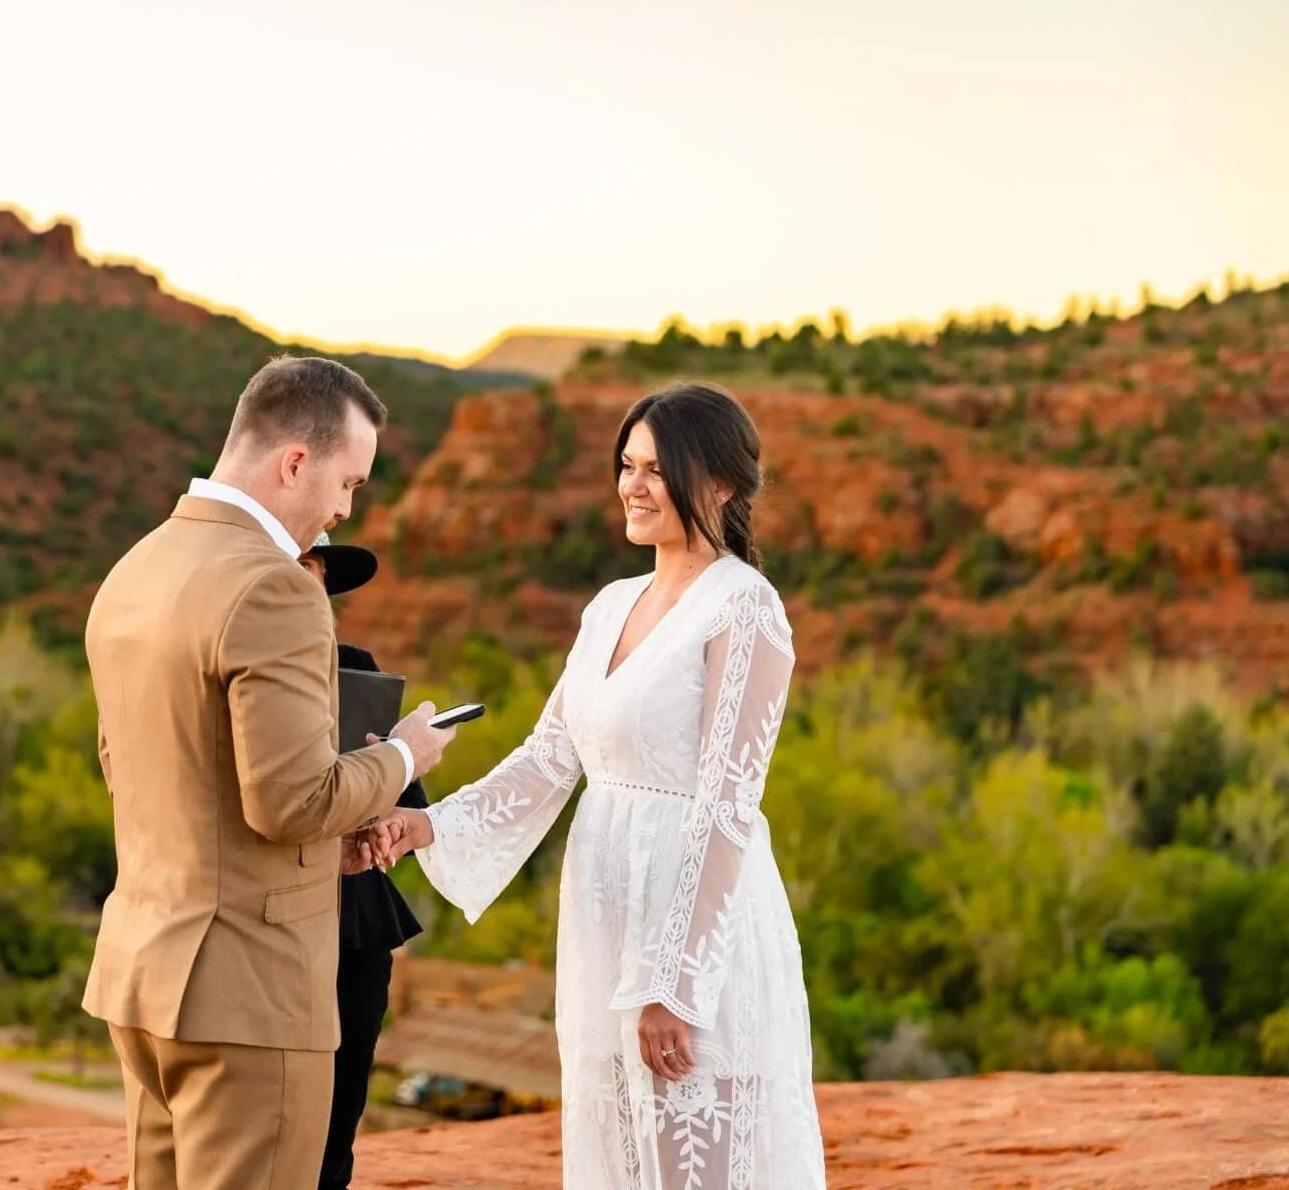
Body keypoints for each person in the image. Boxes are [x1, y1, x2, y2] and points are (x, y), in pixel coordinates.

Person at [370, 383, 826, 1189]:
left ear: (720, 484)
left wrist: (676, 985)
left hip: (693, 933)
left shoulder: (744, 608)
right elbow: (552, 756)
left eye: (658, 468)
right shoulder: (610, 605)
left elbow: (727, 805)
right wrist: (428, 825)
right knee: (617, 1152)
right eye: (626, 464)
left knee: (698, 1159)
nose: (633, 484)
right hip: (603, 920)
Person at [82, 355, 456, 1190]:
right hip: (248, 998)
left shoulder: (135, 569)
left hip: (145, 982)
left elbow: (154, 779)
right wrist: (404, 756)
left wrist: (327, 855)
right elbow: (293, 800)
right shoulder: (274, 589)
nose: (342, 508)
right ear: (295, 461)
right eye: (346, 483)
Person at [298, 532, 429, 1190]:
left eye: (318, 579)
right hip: (278, 915)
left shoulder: (357, 665)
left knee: (339, 1108)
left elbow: (406, 802)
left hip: (357, 923)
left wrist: (383, 816)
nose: (310, 590)